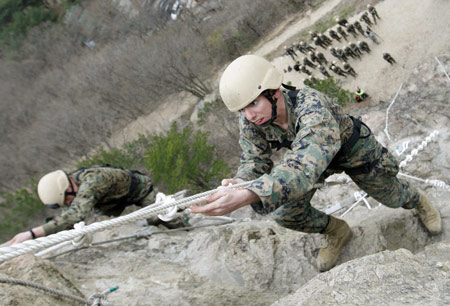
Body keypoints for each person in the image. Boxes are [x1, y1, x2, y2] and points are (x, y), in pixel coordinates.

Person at [191, 54, 442, 272]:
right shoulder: (252, 120)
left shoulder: (312, 106)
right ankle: (336, 231)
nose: (249, 115)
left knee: (392, 197)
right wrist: (241, 181)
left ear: (274, 92)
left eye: (254, 104)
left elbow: (304, 167)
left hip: (349, 150)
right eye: (242, 110)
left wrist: (251, 193)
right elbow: (254, 158)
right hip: (311, 161)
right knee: (285, 212)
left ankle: (418, 200)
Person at [8, 165, 187, 244]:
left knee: (168, 217)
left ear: (67, 188)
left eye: (67, 200)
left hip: (140, 191)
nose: (69, 203)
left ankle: (184, 213)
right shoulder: (75, 184)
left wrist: (32, 234)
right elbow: (72, 216)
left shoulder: (92, 182)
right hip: (111, 205)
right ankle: (150, 221)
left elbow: (76, 214)